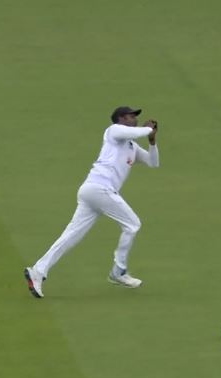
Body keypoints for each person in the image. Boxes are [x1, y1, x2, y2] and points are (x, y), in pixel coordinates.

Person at [24, 106, 160, 298]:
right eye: (131, 116)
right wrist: (147, 129)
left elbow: (153, 163)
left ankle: (37, 271)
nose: (135, 119)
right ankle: (118, 271)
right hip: (99, 189)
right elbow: (133, 131)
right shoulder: (113, 131)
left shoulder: (132, 147)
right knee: (132, 224)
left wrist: (152, 141)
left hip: (93, 192)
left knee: (71, 235)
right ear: (121, 119)